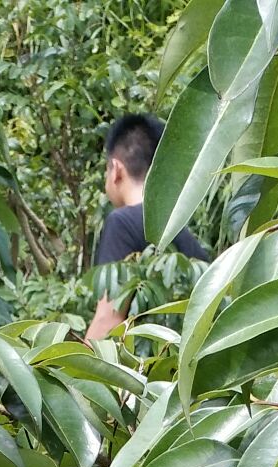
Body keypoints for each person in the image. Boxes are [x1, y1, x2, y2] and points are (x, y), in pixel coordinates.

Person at [86, 113, 208, 343]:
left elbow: (108, 321)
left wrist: (67, 374)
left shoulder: (121, 223)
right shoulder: (183, 236)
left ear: (116, 169)